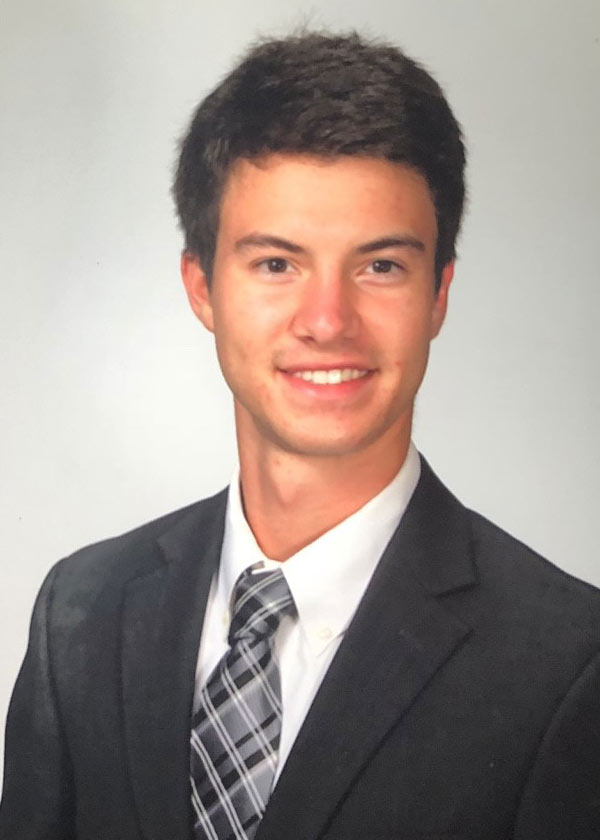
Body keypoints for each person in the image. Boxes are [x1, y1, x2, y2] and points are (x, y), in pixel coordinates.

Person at [1, 30, 600, 840]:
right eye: (276, 264)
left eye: (380, 265)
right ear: (202, 288)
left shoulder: (568, 665)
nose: (327, 322)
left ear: (438, 295)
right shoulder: (80, 614)